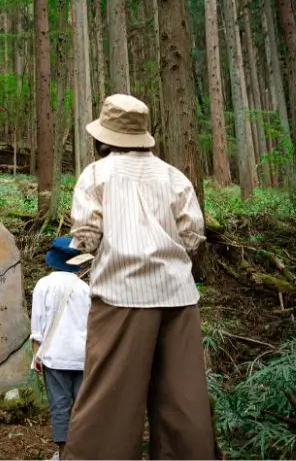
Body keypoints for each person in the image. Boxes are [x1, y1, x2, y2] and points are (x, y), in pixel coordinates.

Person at [63, 94, 215, 460]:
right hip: (179, 298)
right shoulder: (172, 175)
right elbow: (193, 235)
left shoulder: (97, 174)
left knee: (110, 403)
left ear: (104, 137)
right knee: (184, 401)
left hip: (121, 296)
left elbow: (86, 235)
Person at [30, 237, 91, 461]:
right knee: (83, 408)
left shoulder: (43, 285)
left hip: (54, 356)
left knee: (59, 407)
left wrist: (36, 355)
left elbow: (38, 326)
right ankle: (84, 453)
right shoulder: (85, 288)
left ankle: (65, 455)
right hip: (83, 356)